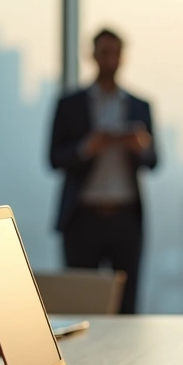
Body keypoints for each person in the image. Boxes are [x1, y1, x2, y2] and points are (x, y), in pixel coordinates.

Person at [49, 28, 157, 314]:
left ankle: (128, 360)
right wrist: (87, 148)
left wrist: (139, 146)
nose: (109, 59)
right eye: (103, 52)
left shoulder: (139, 105)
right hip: (83, 218)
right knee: (81, 304)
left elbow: (154, 160)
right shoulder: (69, 104)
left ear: (123, 57)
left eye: (115, 53)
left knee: (127, 306)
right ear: (92, 55)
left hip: (126, 218)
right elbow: (53, 158)